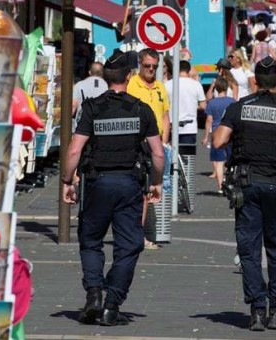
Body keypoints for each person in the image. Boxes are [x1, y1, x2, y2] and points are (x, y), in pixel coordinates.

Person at [62, 50, 165, 326]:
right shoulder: (141, 109)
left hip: (96, 184)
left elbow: (75, 149)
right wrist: (156, 182)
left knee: (91, 239)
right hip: (129, 185)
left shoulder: (92, 108)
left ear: (106, 78)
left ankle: (94, 294)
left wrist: (66, 180)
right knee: (129, 245)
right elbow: (157, 153)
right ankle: (112, 304)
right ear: (129, 76)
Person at [212, 56, 276, 331]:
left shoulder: (240, 107)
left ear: (255, 80)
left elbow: (219, 140)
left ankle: (256, 309)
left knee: (249, 251)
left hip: (247, 185)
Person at [127, 48, 170, 250]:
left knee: (149, 191)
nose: (151, 69)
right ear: (140, 65)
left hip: (156, 144)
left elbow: (165, 116)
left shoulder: (160, 87)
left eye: (154, 66)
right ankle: (135, 235)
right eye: (147, 66)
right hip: (138, 143)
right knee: (138, 191)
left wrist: (165, 142)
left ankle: (139, 234)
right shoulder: (131, 86)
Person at [202, 78, 235, 193]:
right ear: (227, 88)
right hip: (230, 132)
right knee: (231, 159)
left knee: (219, 161)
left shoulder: (212, 103)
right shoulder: (232, 101)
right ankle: (231, 182)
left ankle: (221, 186)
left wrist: (206, 136)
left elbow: (208, 121)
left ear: (216, 88)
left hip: (216, 132)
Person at [165, 60, 206, 145]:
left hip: (170, 127)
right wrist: (193, 106)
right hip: (189, 128)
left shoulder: (167, 84)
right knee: (187, 156)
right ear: (189, 70)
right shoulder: (196, 85)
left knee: (171, 156)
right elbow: (203, 106)